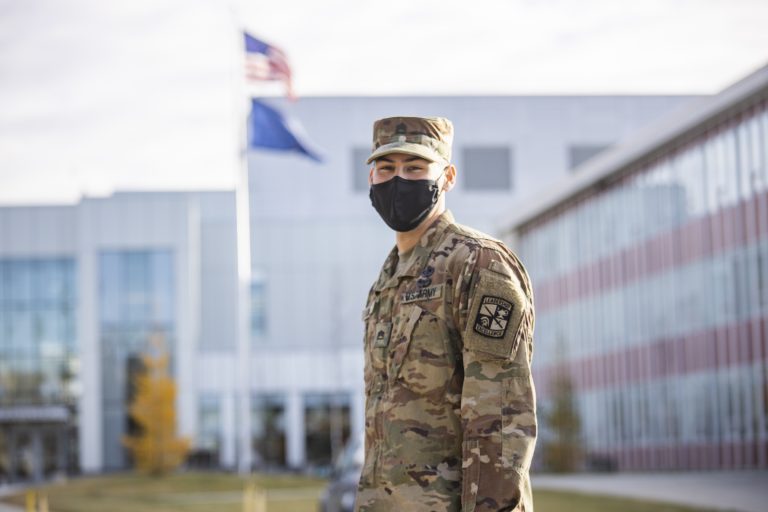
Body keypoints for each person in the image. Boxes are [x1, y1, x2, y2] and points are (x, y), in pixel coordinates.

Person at [355, 116, 537, 512]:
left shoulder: (477, 263)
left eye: (414, 168)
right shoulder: (389, 278)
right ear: (371, 177)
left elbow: (501, 417)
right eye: (386, 168)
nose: (398, 180)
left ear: (448, 177)